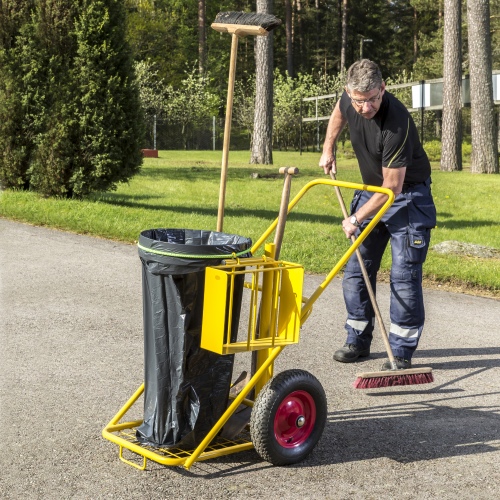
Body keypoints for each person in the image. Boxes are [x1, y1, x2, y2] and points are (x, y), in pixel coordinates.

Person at [319, 59, 436, 370]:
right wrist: (328, 147)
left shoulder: (397, 121)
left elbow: (392, 187)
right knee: (357, 270)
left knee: (404, 276)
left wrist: (356, 219)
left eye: (372, 98)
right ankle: (357, 340)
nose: (366, 107)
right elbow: (339, 111)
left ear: (383, 88)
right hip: (371, 191)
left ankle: (400, 351)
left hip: (406, 197)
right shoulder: (350, 99)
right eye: (360, 100)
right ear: (349, 92)